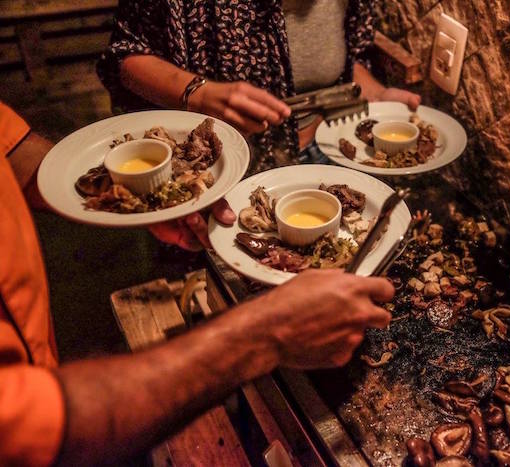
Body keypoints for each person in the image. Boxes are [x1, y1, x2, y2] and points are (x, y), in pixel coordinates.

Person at [0, 101, 395, 466]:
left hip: (43, 358)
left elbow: (16, 155)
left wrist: (141, 196)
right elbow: (31, 424)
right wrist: (263, 335)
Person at [97, 0, 421, 169]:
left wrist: (376, 94)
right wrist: (198, 94)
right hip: (214, 167)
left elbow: (349, 58)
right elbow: (124, 58)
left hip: (325, 150)